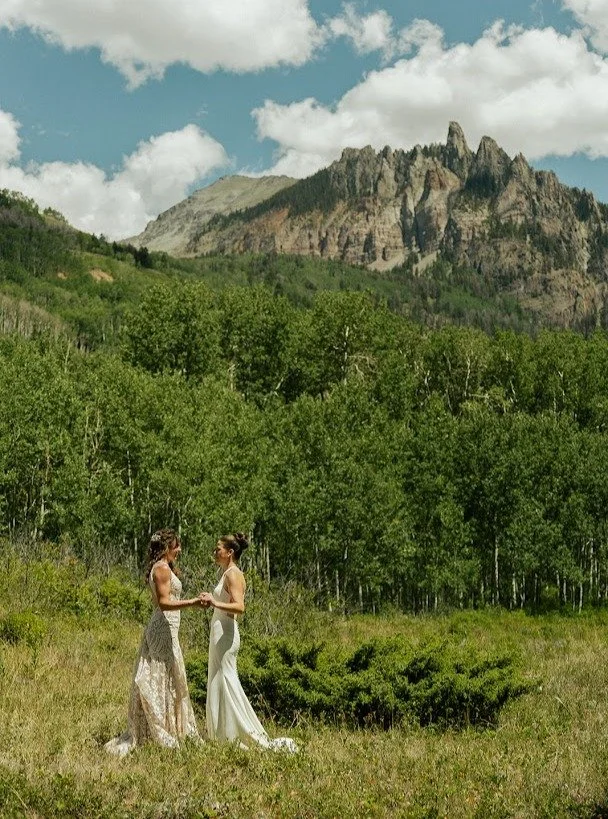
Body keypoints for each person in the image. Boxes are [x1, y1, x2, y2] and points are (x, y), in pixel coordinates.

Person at [105, 528, 203, 756]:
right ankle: (155, 728)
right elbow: (164, 603)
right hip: (162, 627)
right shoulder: (160, 569)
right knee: (158, 676)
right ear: (167, 547)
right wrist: (193, 602)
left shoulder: (165, 567)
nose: (179, 550)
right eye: (176, 546)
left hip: (170, 629)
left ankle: (169, 725)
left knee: (169, 676)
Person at [201, 532, 297, 752]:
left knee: (227, 681)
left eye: (218, 549)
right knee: (218, 681)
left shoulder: (233, 574)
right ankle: (222, 734)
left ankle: (239, 734)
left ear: (230, 552)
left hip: (225, 633)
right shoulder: (226, 573)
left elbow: (240, 607)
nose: (215, 552)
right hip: (220, 632)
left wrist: (214, 602)